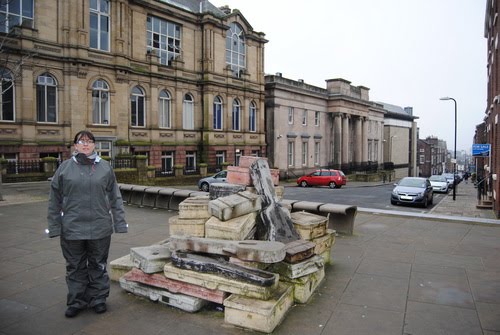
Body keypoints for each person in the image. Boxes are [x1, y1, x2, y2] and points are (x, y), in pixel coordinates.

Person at [47, 130, 128, 318]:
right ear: (75, 145)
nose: (85, 144)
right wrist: (54, 226)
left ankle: (98, 299)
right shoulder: (64, 169)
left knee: (98, 265)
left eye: (89, 141)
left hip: (100, 228)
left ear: (94, 145)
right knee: (75, 267)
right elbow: (54, 200)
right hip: (72, 228)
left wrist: (120, 223)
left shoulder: (105, 168)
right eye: (81, 141)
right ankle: (77, 301)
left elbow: (115, 197)